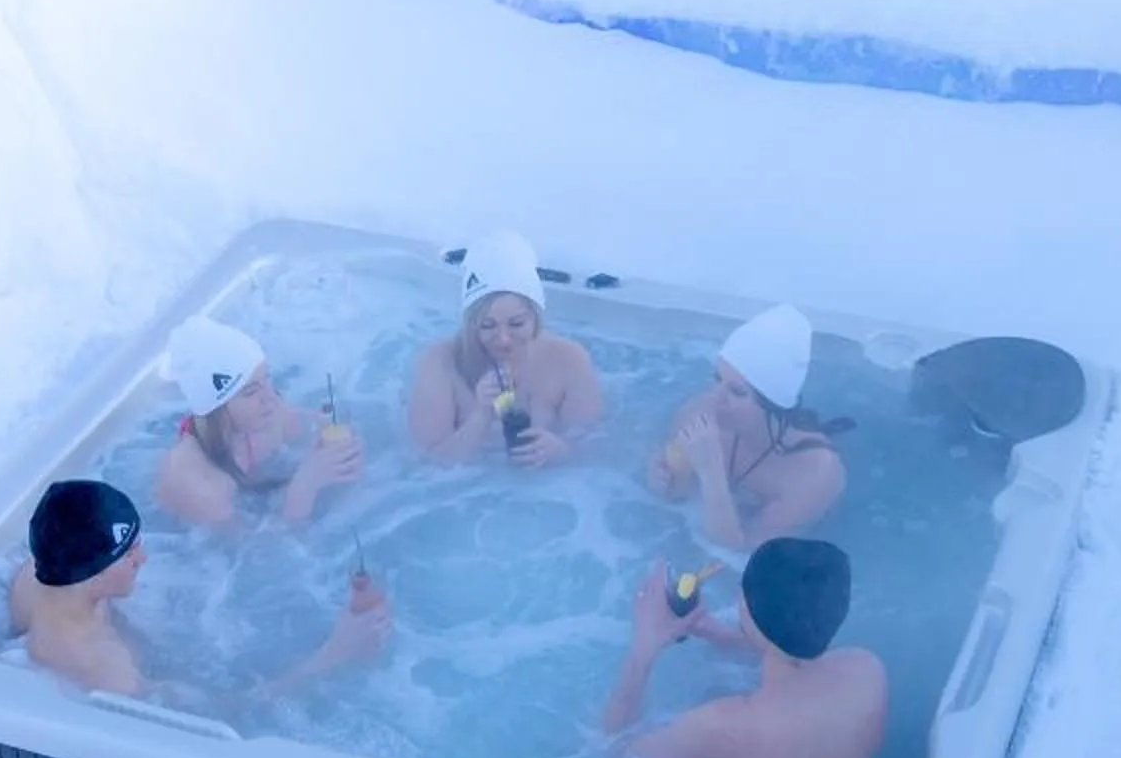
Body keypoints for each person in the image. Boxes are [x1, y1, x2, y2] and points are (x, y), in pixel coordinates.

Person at [8, 479, 391, 700]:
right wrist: (332, 656)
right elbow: (219, 719)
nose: (144, 558)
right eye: (129, 554)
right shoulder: (106, 670)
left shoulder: (42, 574)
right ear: (93, 574)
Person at [601, 537, 886, 758]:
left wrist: (644, 647)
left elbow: (614, 757)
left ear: (746, 608)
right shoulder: (866, 672)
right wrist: (711, 631)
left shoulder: (724, 728)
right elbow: (788, 651)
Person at [645, 303, 845, 550]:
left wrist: (710, 472)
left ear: (772, 404)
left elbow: (740, 551)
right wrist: (662, 477)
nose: (715, 399)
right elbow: (673, 496)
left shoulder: (814, 474)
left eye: (737, 392)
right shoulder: (698, 413)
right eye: (717, 379)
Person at [406, 230, 604, 468]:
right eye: (488, 326)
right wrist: (481, 415)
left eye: (516, 324)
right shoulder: (440, 363)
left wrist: (561, 450)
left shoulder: (569, 359)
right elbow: (428, 464)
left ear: (536, 318)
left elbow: (594, 450)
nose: (503, 340)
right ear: (471, 324)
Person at [153, 315, 364, 530]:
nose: (270, 397)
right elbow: (270, 548)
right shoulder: (196, 483)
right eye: (251, 391)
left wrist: (334, 446)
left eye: (266, 379)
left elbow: (311, 429)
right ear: (216, 410)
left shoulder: (266, 413)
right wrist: (306, 484)